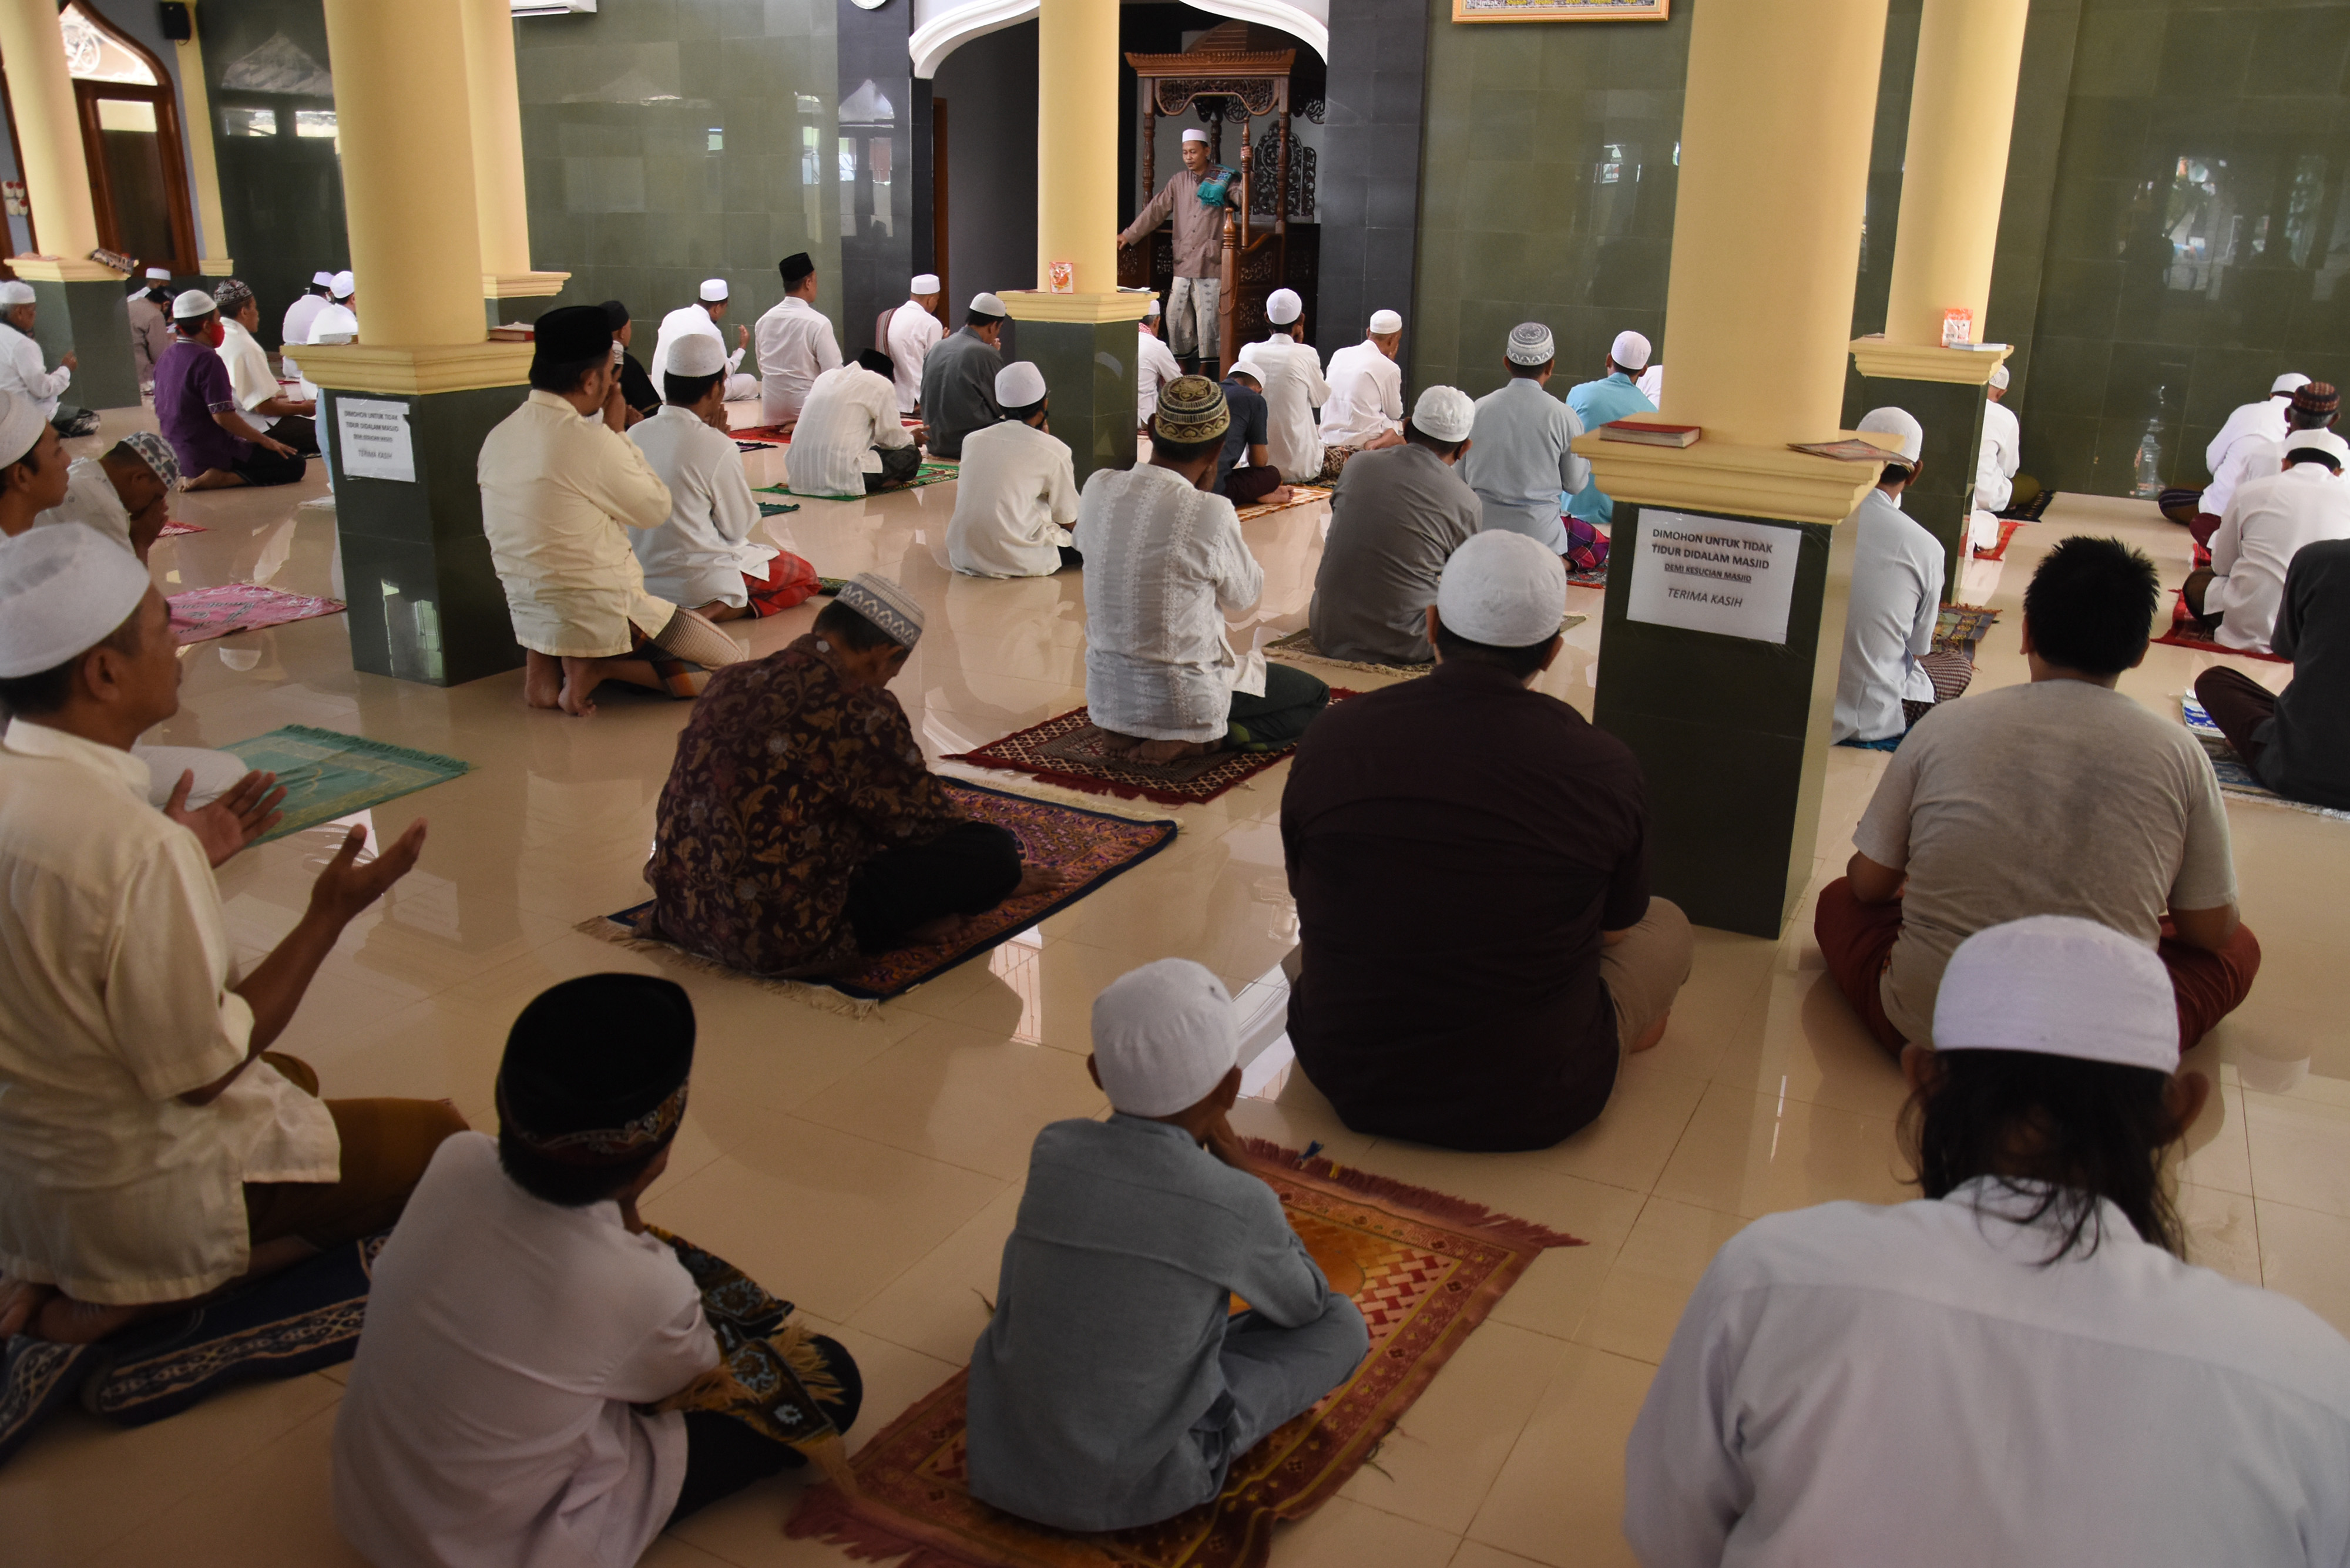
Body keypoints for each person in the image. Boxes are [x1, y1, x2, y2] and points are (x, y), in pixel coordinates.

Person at [1627, 914, 2350, 1568]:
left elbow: (1669, 1535)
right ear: (2178, 1111)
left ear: (1924, 1081)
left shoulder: (1770, 1280)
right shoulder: (2309, 1381)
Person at [0, 525, 461, 1372]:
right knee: (446, 1145)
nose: (179, 639)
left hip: (26, 1185)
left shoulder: (59, 805)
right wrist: (327, 915)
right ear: (103, 672)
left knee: (294, 1087)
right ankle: (146, 1290)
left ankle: (48, 1265)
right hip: (130, 1191)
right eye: (160, 624)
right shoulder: (131, 845)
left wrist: (186, 860)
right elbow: (204, 1072)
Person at [333, 975, 864, 1566]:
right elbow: (686, 1379)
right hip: (497, 1549)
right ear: (659, 1144)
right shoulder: (637, 1284)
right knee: (833, 1377)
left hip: (368, 1509)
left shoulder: (457, 1160)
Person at [1283, 530, 1692, 1150]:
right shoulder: (1601, 764)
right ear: (1553, 651)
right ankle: (1617, 1029)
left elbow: (1305, 887)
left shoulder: (1333, 735)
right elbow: (1613, 932)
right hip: (1539, 1095)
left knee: (1310, 951)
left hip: (1349, 1072)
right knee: (1666, 926)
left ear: (1431, 625)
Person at [965, 958, 1369, 1532]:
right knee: (1341, 1325)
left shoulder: (1054, 1147)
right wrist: (1247, 1179)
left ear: (1096, 1073)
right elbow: (1304, 1304)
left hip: (1007, 1461)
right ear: (1232, 1085)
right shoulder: (1233, 1198)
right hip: (1144, 1481)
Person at [1815, 535, 2260, 1053]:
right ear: (2140, 651)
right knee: (2238, 946)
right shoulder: (2180, 752)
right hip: (2096, 1054)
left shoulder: (1945, 726)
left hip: (1933, 1027)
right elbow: (2209, 929)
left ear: (2026, 632)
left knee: (1840, 901)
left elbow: (1869, 886)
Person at [646, 574, 1062, 975]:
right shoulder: (861, 707)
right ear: (884, 654)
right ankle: (907, 923)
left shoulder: (728, 679)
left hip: (684, 905)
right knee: (991, 854)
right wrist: (986, 879)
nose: (885, 682)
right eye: (890, 672)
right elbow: (925, 825)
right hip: (780, 932)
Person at [479, 304, 741, 717]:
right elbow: (655, 509)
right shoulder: (591, 440)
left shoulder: (497, 437)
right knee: (732, 666)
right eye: (609, 376)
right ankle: (599, 667)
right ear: (589, 381)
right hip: (605, 610)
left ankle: (543, 673)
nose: (611, 387)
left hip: (529, 612)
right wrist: (618, 432)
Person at [1084, 377, 1329, 761]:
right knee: (1314, 696)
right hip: (1187, 699)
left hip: (1108, 699)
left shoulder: (1099, 487)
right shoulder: (1209, 511)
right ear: (1218, 449)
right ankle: (1204, 739)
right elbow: (1245, 598)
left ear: (1151, 429)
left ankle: (1125, 729)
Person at [627, 334, 813, 623]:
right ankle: (713, 611)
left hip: (642, 580)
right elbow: (737, 528)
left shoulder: (633, 435)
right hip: (698, 584)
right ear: (716, 388)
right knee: (806, 576)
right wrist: (718, 443)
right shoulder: (716, 445)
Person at [1305, 384, 1480, 666]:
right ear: (1464, 449)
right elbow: (1464, 583)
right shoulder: (1465, 500)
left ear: (1407, 429)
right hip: (1409, 643)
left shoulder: (1357, 465)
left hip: (1328, 630)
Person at [1832, 408, 1973, 745]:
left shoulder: (1815, 517)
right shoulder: (1925, 547)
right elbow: (1918, 646)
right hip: (1869, 715)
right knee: (1957, 665)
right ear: (1915, 473)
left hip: (1796, 703)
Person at [2195, 539, 2350, 811]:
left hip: (2300, 769)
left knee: (2215, 681)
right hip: (2308, 760)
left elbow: (2285, 648)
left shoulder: (2318, 558)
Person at [2185, 425, 2350, 654]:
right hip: (2317, 633)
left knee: (2198, 583)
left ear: (2284, 464)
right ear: (2339, 472)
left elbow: (2222, 566)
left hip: (2251, 629)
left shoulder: (2251, 492)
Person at [1460, 323, 1592, 556]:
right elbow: (1575, 484)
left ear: (1507, 363)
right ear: (1550, 367)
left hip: (1482, 536)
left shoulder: (1477, 409)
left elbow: (1458, 477)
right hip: (1541, 541)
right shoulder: (1563, 416)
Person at [1117, 127, 1238, 378]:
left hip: (1210, 262)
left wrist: (1245, 176)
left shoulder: (1223, 178)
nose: (1189, 157)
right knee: (1175, 317)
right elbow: (1156, 211)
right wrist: (1128, 235)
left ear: (1206, 151)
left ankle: (1207, 372)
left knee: (1209, 323)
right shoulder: (1178, 182)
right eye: (1185, 152)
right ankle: (1180, 368)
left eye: (1193, 151)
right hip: (1183, 262)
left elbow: (1244, 200)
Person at [153, 290, 306, 491]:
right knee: (294, 463)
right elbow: (223, 417)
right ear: (207, 326)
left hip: (178, 455)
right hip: (208, 453)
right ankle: (223, 478)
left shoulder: (167, 355)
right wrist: (265, 441)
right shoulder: (207, 359)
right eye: (218, 320)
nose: (221, 326)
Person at [947, 361, 1080, 577]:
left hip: (965, 552)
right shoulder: (1056, 451)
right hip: (1017, 556)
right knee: (1095, 541)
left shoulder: (972, 440)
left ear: (1001, 406)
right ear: (1045, 404)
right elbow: (1068, 519)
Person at [2190, 380, 2342, 556]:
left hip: (2257, 552)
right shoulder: (2345, 466)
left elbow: (2229, 546)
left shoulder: (2264, 454)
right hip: (2318, 564)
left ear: (2286, 465)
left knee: (2206, 525)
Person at [2169, 371, 2311, 532]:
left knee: (2169, 498)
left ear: (2271, 395)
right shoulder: (2316, 432)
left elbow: (2212, 462)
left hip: (2229, 513)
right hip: (2281, 520)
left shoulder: (2247, 412)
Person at [786, 348, 922, 496]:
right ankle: (875, 485)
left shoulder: (824, 378)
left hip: (798, 475)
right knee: (911, 455)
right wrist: (913, 439)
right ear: (885, 376)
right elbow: (893, 441)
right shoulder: (881, 384)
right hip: (842, 476)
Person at [31, 429, 180, 561]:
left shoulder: (82, 466)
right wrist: (141, 542)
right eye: (157, 497)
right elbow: (131, 590)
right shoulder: (103, 507)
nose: (161, 505)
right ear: (139, 478)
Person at [1562, 330, 1657, 530]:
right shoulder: (1651, 414)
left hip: (1570, 517)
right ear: (1644, 370)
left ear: (1608, 360)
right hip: (1617, 522)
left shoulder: (1580, 394)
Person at [214, 278, 319, 458]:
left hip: (226, 423)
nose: (258, 314)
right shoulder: (244, 345)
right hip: (253, 426)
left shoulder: (216, 335)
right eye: (255, 308)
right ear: (244, 312)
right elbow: (263, 408)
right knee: (329, 432)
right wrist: (304, 408)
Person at [1233, 288, 1328, 485]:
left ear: (1266, 317)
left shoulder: (1248, 353)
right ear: (1301, 320)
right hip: (1298, 467)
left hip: (1254, 467)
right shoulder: (1306, 354)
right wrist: (1300, 345)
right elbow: (1320, 400)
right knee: (1350, 456)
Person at [1314, 308, 1407, 482]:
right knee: (1401, 429)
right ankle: (1377, 446)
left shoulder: (1339, 354)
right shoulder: (1389, 367)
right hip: (1359, 442)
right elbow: (1395, 412)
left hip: (1329, 437)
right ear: (1394, 339)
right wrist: (1389, 363)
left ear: (1369, 332)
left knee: (1388, 424)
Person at [754, 251, 841, 427]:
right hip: (808, 412)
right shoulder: (818, 323)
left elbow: (763, 368)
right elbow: (834, 374)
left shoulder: (763, 321)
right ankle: (800, 425)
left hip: (772, 413)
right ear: (808, 283)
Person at [919, 293, 1008, 459]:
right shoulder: (985, 353)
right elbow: (1001, 405)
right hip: (968, 445)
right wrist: (993, 356)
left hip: (935, 443)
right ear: (993, 326)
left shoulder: (939, 346)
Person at [0, 280, 90, 437]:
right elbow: (42, 389)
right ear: (20, 312)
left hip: (4, 411)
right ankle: (38, 434)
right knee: (89, 420)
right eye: (33, 310)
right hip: (23, 413)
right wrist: (66, 369)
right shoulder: (22, 344)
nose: (35, 316)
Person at [652, 277, 758, 401]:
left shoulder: (671, 316)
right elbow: (726, 372)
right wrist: (742, 348)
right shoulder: (710, 330)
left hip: (660, 389)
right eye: (725, 308)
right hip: (689, 397)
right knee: (749, 381)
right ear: (717, 308)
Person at [1215, 365, 1290, 508]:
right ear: (1259, 389)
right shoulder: (1254, 399)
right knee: (1271, 475)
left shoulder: (1208, 390)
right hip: (1211, 488)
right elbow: (1258, 462)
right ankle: (1259, 493)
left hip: (1175, 482)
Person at [1969, 361, 2020, 550]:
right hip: (1987, 494)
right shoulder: (2006, 417)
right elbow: (2009, 468)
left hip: (1947, 486)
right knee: (2029, 487)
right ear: (2001, 393)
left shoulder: (1956, 405)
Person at [885, 272, 945, 415]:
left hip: (890, 398)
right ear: (930, 300)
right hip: (917, 401)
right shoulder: (931, 323)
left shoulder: (889, 316)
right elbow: (935, 367)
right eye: (937, 301)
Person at [602, 299, 660, 424]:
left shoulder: (589, 360)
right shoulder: (628, 364)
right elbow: (653, 415)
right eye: (629, 327)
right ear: (622, 332)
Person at [1137, 296, 1181, 432]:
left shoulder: (1120, 339)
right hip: (1144, 419)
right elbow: (1178, 384)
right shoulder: (1157, 347)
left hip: (1116, 415)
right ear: (1157, 321)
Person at [126, 267, 173, 395]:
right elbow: (160, 355)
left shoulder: (130, 303)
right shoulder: (154, 315)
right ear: (166, 304)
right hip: (142, 378)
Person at [280, 270, 335, 371]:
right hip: (311, 371)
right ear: (330, 293)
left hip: (290, 368)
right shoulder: (327, 309)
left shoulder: (295, 305)